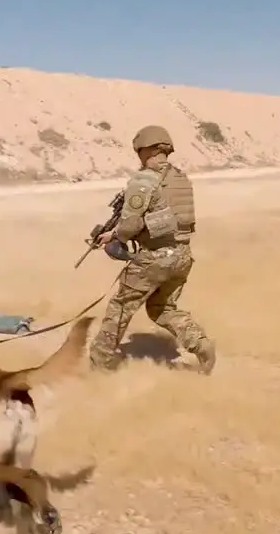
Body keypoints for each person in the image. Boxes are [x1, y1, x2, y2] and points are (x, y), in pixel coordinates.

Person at [87, 125, 216, 374]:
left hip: (155, 258)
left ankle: (97, 368)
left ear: (145, 149)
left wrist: (114, 236)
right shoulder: (179, 178)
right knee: (162, 308)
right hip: (182, 255)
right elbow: (169, 217)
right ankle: (201, 344)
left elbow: (131, 224)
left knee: (120, 309)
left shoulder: (144, 179)